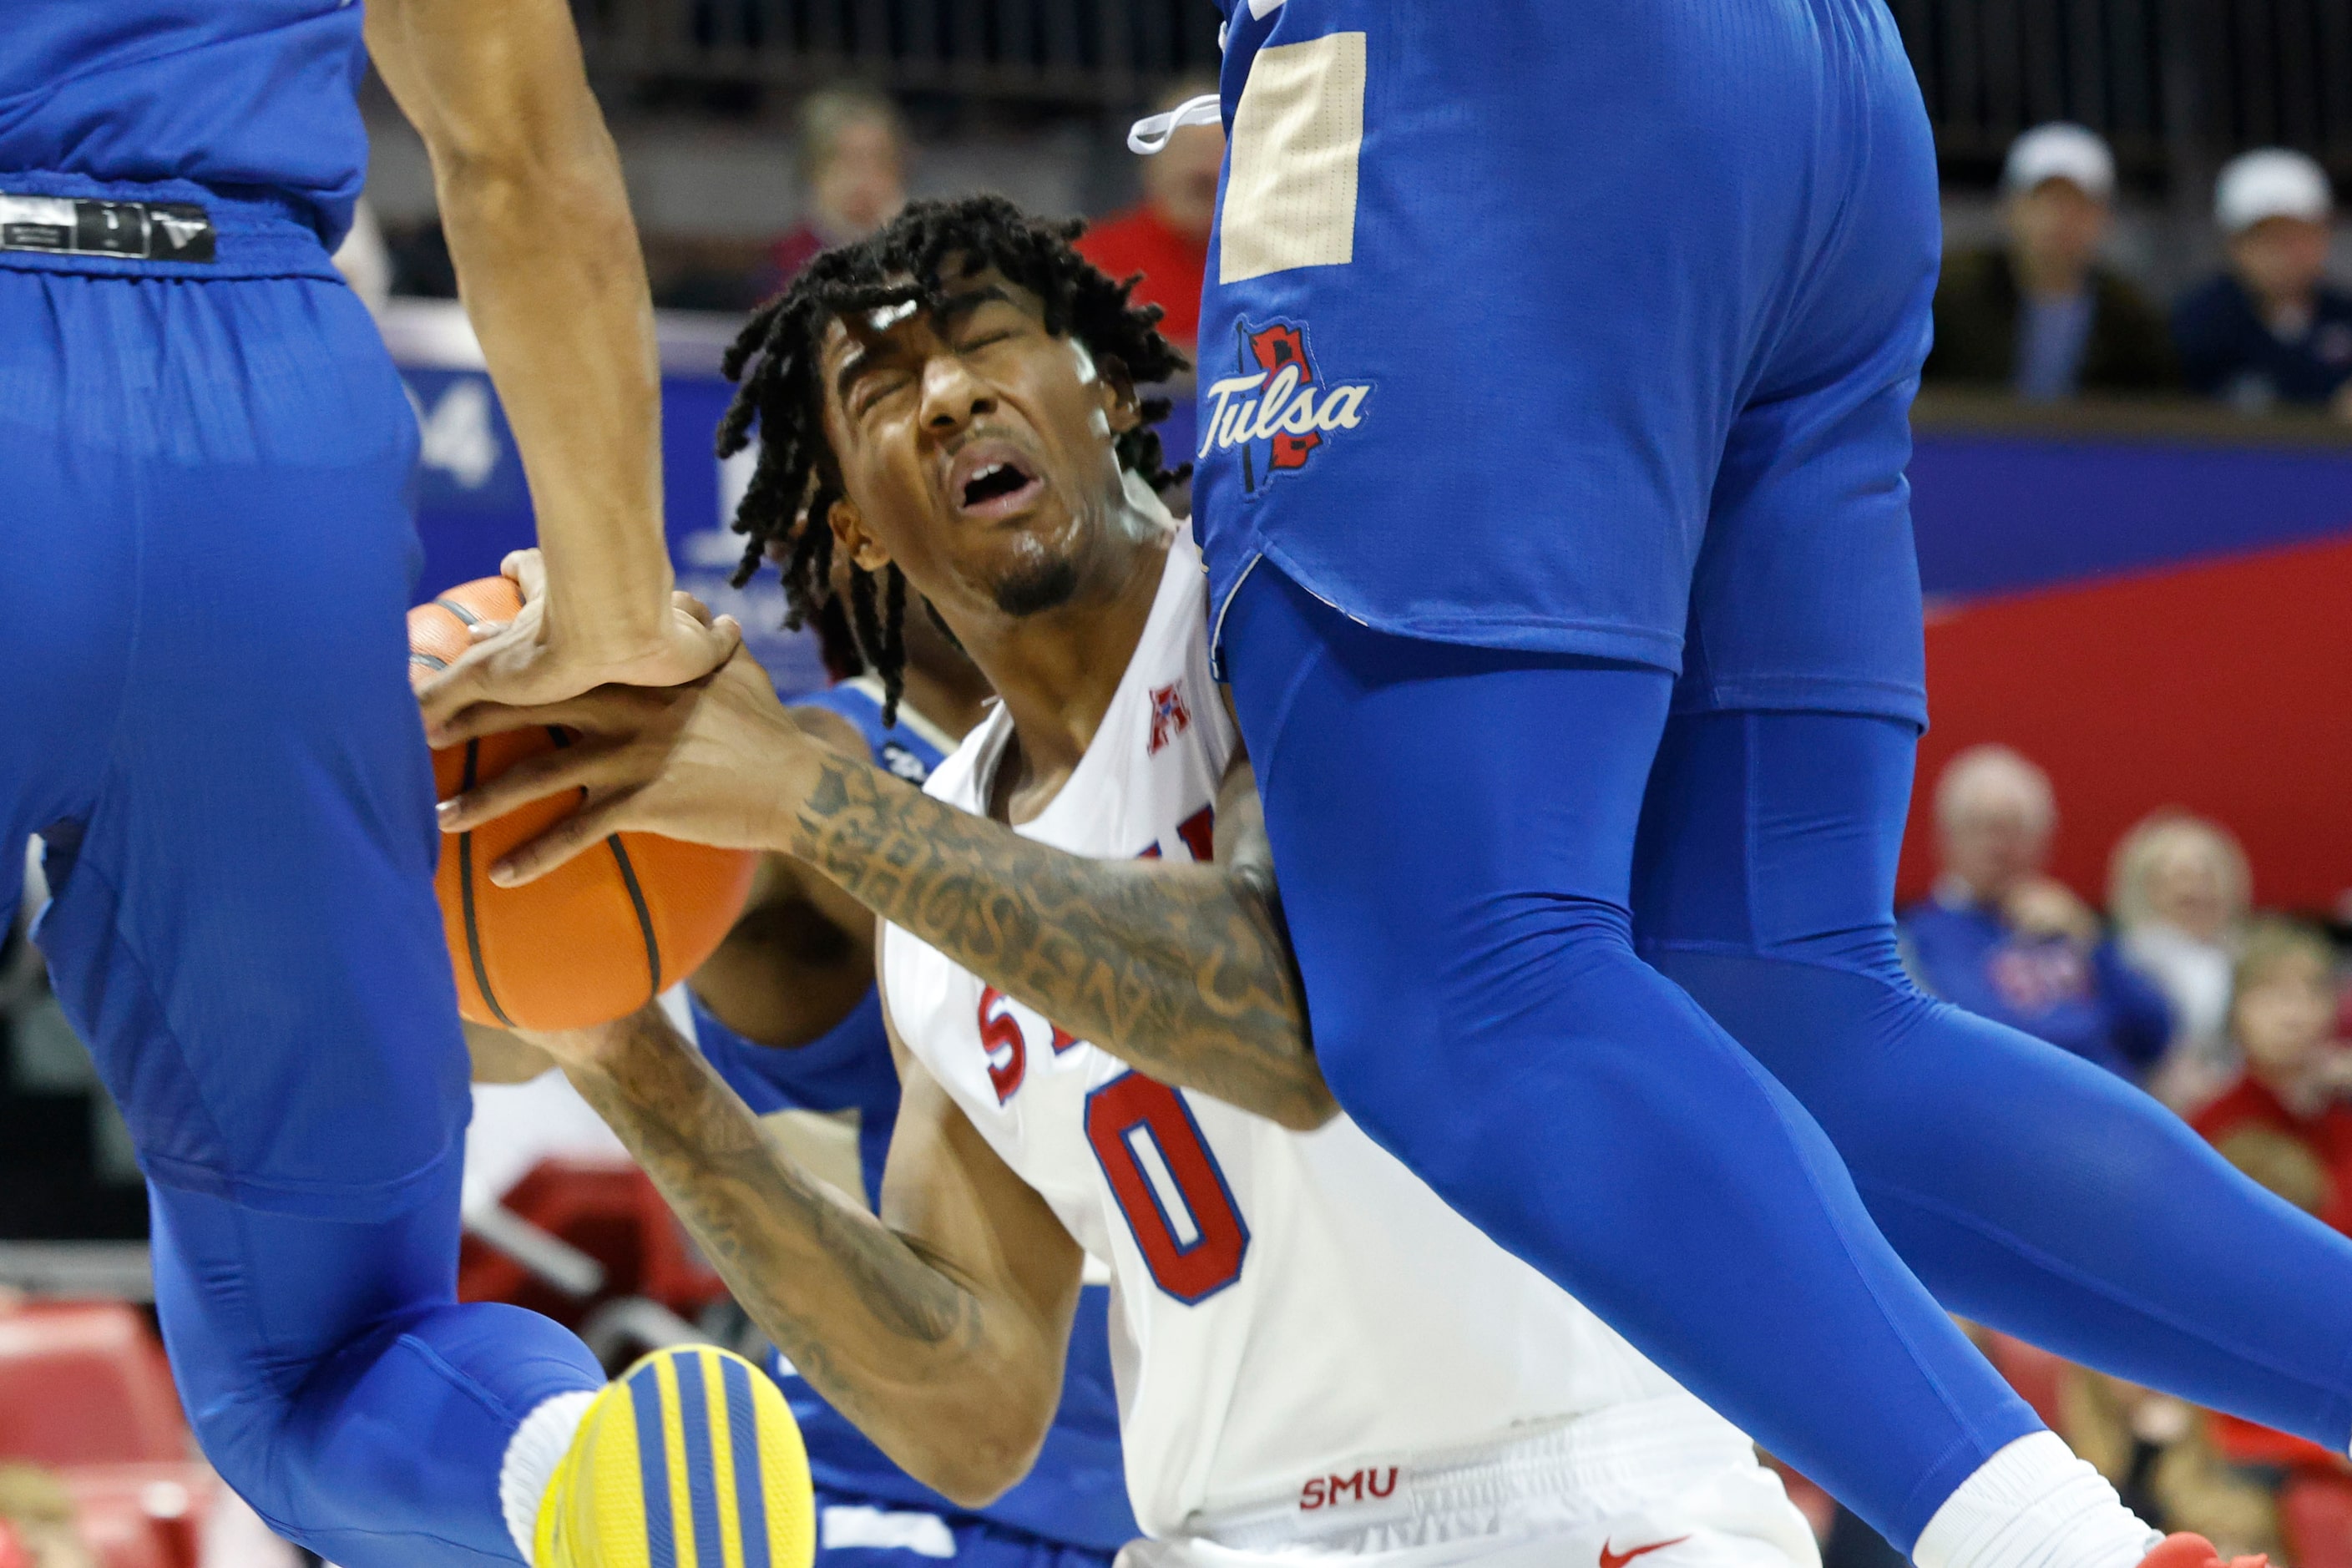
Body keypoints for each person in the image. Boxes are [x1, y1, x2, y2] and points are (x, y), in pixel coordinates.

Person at [435, 197, 1829, 1568]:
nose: (948, 395)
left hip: (1575, 1492)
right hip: (1228, 1531)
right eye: (882, 388)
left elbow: (1287, 1028)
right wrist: (621, 1054)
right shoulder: (930, 899)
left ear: (1100, 388)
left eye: (985, 340)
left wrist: (811, 798)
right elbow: (974, 1403)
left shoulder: (1290, 606)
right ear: (852, 523)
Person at [1164, 7, 2352, 1568]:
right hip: (1817, 88)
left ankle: (2066, 1552)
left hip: (1487, 81)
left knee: (1465, 988)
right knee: (1787, 1008)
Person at [0, 3, 787, 1566]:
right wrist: (615, 612)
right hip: (263, 401)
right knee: (333, 1348)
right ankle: (571, 1466)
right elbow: (519, 147)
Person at [1899, 746, 2172, 1082]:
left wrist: (2092, 942)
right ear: (1947, 838)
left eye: (2014, 830)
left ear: (2043, 840)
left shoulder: (2072, 926)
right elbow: (1981, 1036)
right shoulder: (1922, 936)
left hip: (2104, 1107)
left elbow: (2155, 1034)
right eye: (1982, 827)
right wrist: (2081, 1033)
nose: (1998, 847)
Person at [1922, 124, 2176, 399]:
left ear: (2105, 218)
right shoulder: (1947, 294)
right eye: (2044, 200)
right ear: (2008, 209)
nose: (2061, 218)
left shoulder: (2132, 317)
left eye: (2079, 204)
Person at [2172, 149, 2352, 417]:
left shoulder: (2344, 315)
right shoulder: (2196, 323)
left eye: (2300, 235)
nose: (2287, 252)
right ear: (2234, 244)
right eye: (2269, 237)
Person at [2111, 812, 2254, 1112]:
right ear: (2145, 889)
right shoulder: (2126, 966)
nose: (2197, 890)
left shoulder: (2249, 958)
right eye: (2181, 877)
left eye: (2209, 876)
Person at [1075, 80, 1222, 355]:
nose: (1202, 168)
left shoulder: (1273, 265)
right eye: (1186, 150)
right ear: (1150, 164)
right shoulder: (1092, 260)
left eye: (1218, 152)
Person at [767, 89, 910, 291]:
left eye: (879, 160)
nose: (863, 177)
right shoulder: (785, 264)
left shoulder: (921, 260)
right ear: (813, 170)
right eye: (848, 161)